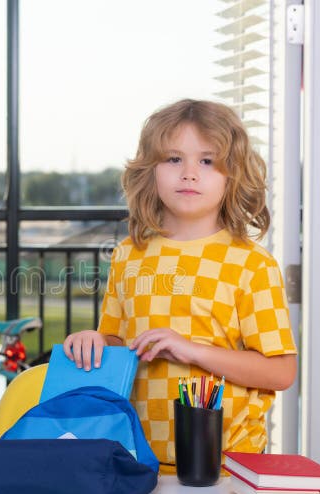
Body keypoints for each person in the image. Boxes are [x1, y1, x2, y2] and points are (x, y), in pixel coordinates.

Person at [63, 99, 297, 473]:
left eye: (207, 161)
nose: (189, 173)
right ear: (149, 171)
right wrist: (92, 340)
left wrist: (191, 351)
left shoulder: (252, 264)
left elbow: (280, 371)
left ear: (232, 174)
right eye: (173, 159)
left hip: (227, 465)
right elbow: (116, 341)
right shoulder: (129, 255)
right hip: (135, 460)